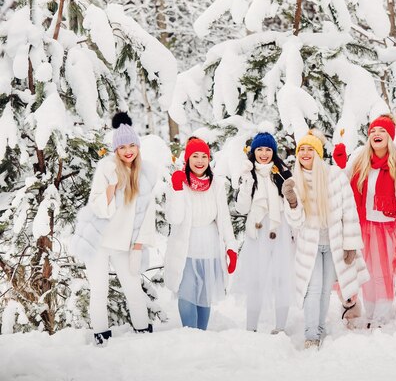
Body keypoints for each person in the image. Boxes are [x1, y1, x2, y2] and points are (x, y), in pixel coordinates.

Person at [72, 112, 156, 345]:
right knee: (99, 290)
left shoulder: (146, 174)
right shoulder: (106, 168)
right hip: (98, 240)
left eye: (132, 145)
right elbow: (97, 207)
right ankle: (101, 336)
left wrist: (138, 245)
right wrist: (112, 187)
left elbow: (148, 212)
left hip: (124, 243)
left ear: (138, 146)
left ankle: (143, 332)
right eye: (122, 147)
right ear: (116, 150)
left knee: (133, 288)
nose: (128, 151)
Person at [283, 129, 369, 349]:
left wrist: (350, 245)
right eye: (301, 149)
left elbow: (349, 211)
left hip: (334, 244)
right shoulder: (296, 181)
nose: (304, 153)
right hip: (309, 245)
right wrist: (292, 202)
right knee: (313, 289)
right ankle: (311, 334)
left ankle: (319, 328)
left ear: (318, 153)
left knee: (323, 290)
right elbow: (296, 222)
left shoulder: (336, 176)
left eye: (309, 149)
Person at [341, 115, 396, 327]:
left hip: (386, 226)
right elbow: (344, 186)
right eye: (372, 131)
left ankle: (381, 316)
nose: (376, 134)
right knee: (366, 271)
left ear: (390, 137)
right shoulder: (361, 163)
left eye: (381, 131)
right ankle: (370, 313)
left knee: (382, 271)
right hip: (363, 225)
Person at [164, 137, 238, 330]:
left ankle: (201, 334)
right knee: (187, 291)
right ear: (187, 159)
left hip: (210, 245)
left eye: (203, 156)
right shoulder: (178, 182)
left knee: (204, 293)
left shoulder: (217, 185)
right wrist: (178, 190)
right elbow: (174, 218)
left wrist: (231, 247)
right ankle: (190, 334)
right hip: (186, 245)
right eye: (195, 156)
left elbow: (223, 218)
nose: (199, 160)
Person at [234, 130, 294, 334]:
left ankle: (280, 326)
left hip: (280, 230)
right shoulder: (248, 174)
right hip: (258, 233)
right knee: (256, 278)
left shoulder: (283, 173)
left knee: (281, 277)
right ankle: (251, 327)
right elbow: (242, 209)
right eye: (260, 149)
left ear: (274, 152)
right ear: (253, 152)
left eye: (268, 149)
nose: (264, 153)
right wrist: (246, 182)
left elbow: (293, 204)